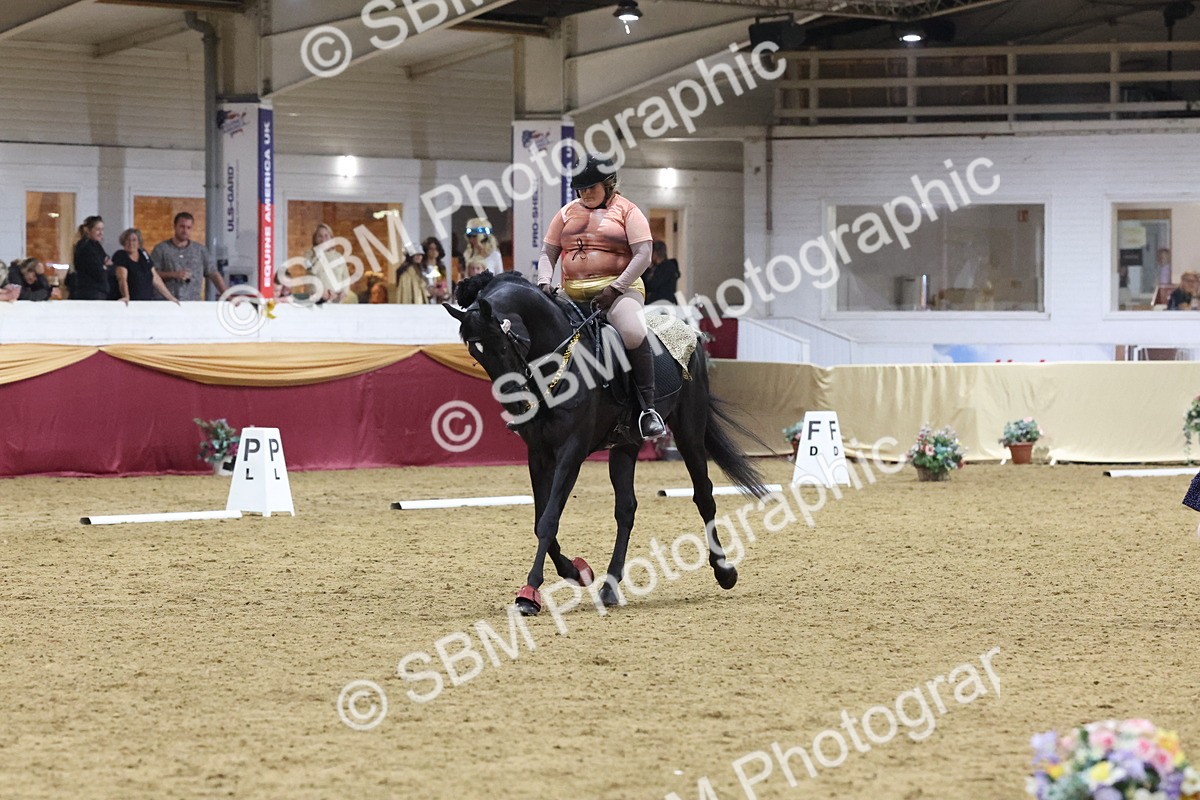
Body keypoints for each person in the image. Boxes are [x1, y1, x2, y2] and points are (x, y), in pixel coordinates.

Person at [536, 154, 666, 440]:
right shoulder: (567, 212)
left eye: (591, 188)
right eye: (580, 190)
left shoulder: (627, 211)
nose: (585, 194)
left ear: (609, 184)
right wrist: (544, 282)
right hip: (571, 294)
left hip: (619, 292)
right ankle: (536, 404)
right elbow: (548, 252)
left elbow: (643, 254)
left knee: (632, 332)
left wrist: (617, 288)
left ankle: (648, 409)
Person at [151, 212, 227, 301]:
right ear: (175, 226)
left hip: (193, 303)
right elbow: (152, 274)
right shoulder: (161, 249)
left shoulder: (200, 250)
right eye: (182, 226)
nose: (185, 230)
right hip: (167, 303)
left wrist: (227, 295)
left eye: (188, 227)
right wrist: (173, 274)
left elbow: (214, 274)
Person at [113, 229, 178, 304]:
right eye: (128, 240)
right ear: (123, 242)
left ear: (139, 243)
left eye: (134, 240)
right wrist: (126, 296)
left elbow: (155, 278)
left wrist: (171, 297)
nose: (131, 243)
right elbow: (122, 278)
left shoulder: (144, 254)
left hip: (147, 301)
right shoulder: (121, 255)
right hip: (132, 302)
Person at [306, 223, 353, 303]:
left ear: (331, 238)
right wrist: (320, 253)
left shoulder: (339, 257)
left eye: (326, 235)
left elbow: (346, 278)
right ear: (315, 239)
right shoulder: (309, 255)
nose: (323, 239)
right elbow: (313, 271)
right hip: (316, 301)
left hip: (335, 301)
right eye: (320, 236)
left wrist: (343, 292)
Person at [70, 216, 115, 300]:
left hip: (98, 292)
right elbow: (98, 272)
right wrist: (105, 267)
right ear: (88, 230)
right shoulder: (85, 247)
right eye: (98, 229)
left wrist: (105, 267)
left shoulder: (96, 246)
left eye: (102, 230)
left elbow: (111, 267)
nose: (101, 233)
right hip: (89, 293)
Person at [644, 240, 681, 304]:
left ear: (655, 253)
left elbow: (653, 284)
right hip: (656, 304)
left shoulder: (667, 267)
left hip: (662, 303)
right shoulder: (659, 267)